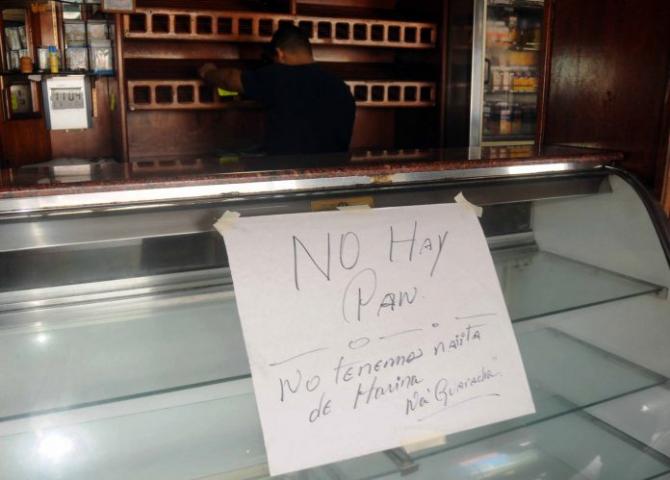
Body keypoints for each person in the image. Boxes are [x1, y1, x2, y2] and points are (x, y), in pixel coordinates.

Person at [199, 25, 356, 156]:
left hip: (290, 177)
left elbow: (229, 79)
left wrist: (208, 72)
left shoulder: (279, 76)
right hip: (335, 177)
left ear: (280, 53)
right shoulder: (340, 86)